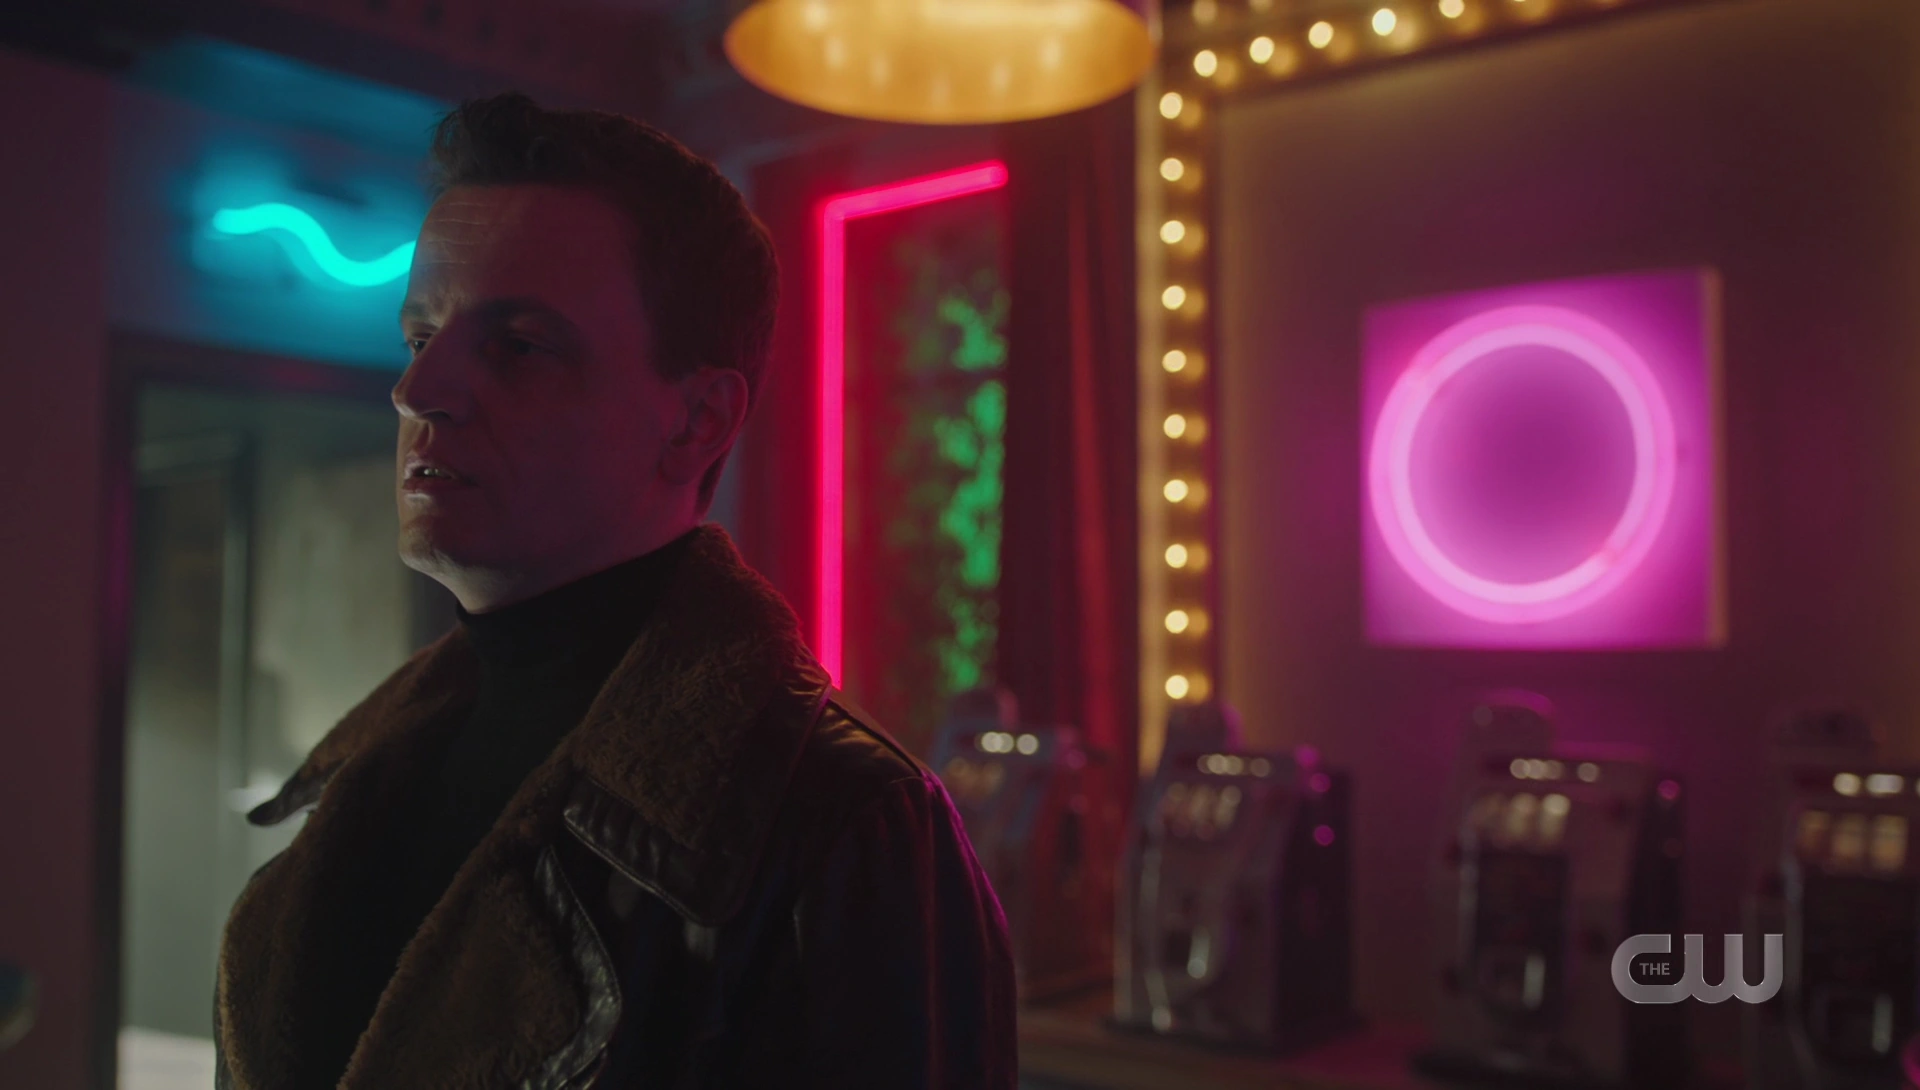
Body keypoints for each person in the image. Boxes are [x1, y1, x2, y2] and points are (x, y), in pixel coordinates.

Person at [213, 92, 1018, 1089]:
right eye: (420, 338)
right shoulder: (375, 772)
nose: (418, 392)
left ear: (696, 421)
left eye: (517, 345)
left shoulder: (850, 828)